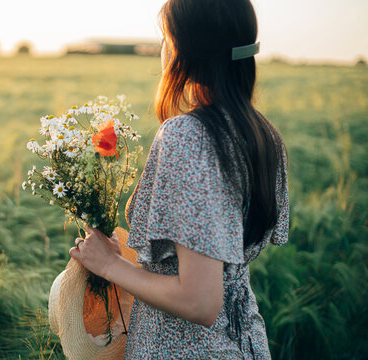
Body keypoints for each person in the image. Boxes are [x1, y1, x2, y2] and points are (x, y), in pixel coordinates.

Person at [69, 0, 290, 358]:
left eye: (165, 37)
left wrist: (111, 266)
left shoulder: (188, 138)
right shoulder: (264, 136)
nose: (162, 48)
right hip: (243, 342)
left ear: (183, 51)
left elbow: (199, 301)